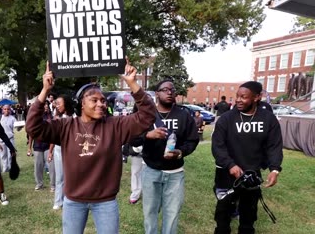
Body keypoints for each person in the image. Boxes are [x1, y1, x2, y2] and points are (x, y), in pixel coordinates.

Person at [26, 60, 156, 233]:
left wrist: (132, 83)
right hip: (73, 201)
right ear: (81, 103)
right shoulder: (66, 126)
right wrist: (44, 91)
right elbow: (33, 128)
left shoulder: (115, 125)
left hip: (105, 202)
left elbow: (147, 116)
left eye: (103, 100)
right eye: (94, 100)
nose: (101, 104)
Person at [212, 81, 283, 234]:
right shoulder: (226, 119)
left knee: (248, 218)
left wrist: (274, 169)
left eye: (243, 97)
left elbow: (274, 146)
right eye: (237, 96)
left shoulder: (268, 119)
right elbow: (218, 146)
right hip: (226, 174)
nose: (238, 100)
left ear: (257, 97)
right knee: (223, 217)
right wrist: (230, 165)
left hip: (252, 174)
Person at [131, 79, 199, 234]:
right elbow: (132, 138)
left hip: (175, 173)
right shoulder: (147, 115)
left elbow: (192, 140)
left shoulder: (183, 115)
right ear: (157, 93)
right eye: (165, 90)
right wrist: (148, 135)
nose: (170, 92)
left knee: (172, 214)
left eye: (172, 90)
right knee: (150, 213)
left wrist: (180, 152)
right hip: (150, 170)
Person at [48, 94, 75, 210]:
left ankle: (72, 198)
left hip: (73, 150)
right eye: (55, 103)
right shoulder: (58, 118)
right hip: (59, 150)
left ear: (67, 103)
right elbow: (53, 137)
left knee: (72, 176)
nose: (56, 106)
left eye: (59, 103)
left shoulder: (76, 118)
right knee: (60, 177)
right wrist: (50, 151)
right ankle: (58, 201)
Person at [28, 101, 55, 192]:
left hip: (48, 146)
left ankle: (53, 185)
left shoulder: (51, 118)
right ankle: (39, 184)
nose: (46, 106)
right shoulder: (36, 119)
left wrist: (51, 150)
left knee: (51, 166)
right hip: (38, 146)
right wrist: (29, 148)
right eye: (44, 105)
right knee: (38, 166)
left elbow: (53, 135)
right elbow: (31, 133)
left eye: (47, 105)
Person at [0, 104, 16, 172]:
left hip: (10, 139)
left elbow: (16, 127)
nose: (6, 110)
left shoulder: (13, 118)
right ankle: (5, 168)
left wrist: (19, 127)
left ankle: (11, 167)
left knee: (10, 154)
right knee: (3, 155)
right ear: (2, 110)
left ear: (10, 110)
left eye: (8, 109)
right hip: (1, 140)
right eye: (5, 109)